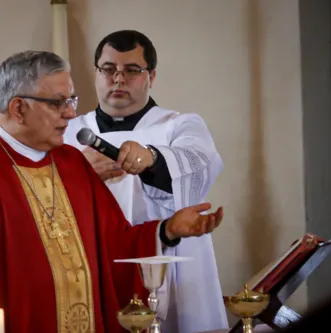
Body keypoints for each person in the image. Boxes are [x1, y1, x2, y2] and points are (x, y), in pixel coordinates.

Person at [0, 50, 225, 333]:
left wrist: (168, 229)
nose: (71, 114)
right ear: (18, 108)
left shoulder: (72, 162)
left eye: (72, 100)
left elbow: (115, 246)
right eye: (59, 103)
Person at [64, 30, 227, 333]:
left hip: (172, 268)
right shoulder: (68, 132)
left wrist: (152, 158)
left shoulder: (180, 125)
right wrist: (76, 174)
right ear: (97, 73)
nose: (119, 79)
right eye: (109, 69)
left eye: (132, 70)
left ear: (151, 76)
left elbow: (200, 165)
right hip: (91, 266)